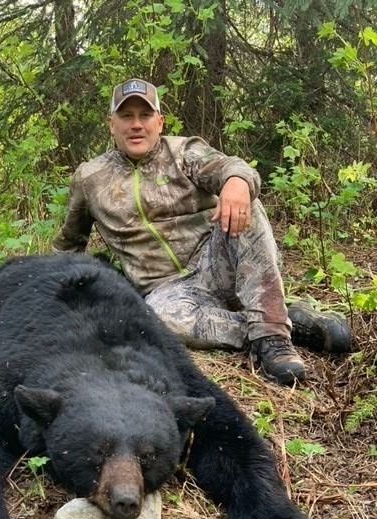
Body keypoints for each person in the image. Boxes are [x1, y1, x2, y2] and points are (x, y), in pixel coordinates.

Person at [53, 78, 351, 385]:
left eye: (145, 115)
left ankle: (273, 338)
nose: (136, 125)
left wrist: (236, 182)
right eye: (126, 116)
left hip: (220, 263)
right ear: (111, 125)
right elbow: (69, 245)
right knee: (155, 318)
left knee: (246, 202)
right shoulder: (90, 179)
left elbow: (232, 167)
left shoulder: (183, 153)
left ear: (159, 122)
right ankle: (281, 323)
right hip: (168, 291)